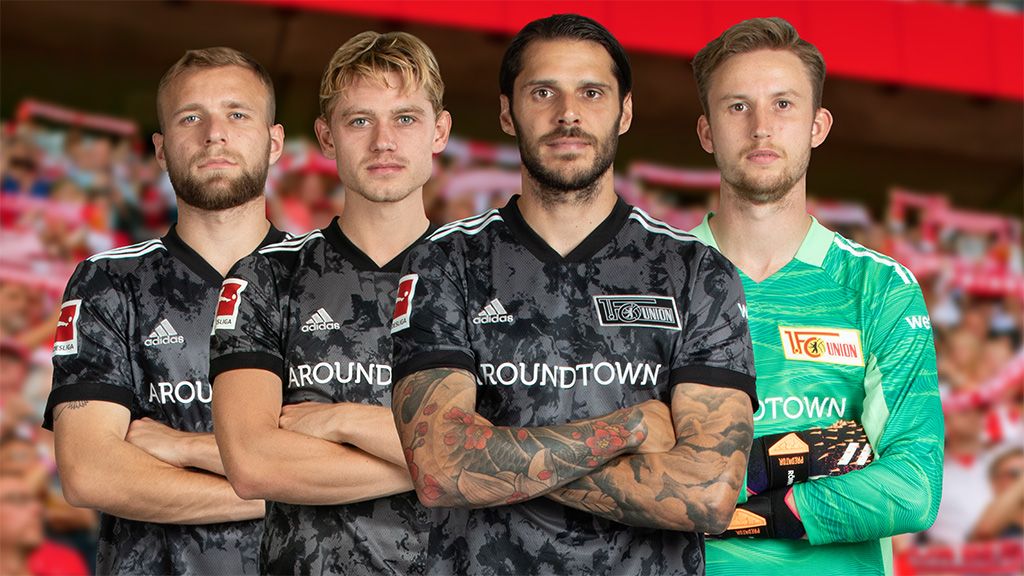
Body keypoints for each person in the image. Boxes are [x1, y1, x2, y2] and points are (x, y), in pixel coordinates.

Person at [390, 14, 757, 575]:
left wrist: (496, 456)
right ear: (507, 114)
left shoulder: (696, 272)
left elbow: (708, 494)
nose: (568, 114)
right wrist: (630, 430)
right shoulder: (444, 262)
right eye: (543, 92)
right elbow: (441, 470)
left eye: (591, 92)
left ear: (624, 111)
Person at [686, 17, 943, 574]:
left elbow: (914, 486)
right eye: (737, 106)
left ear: (817, 126)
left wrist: (733, 496)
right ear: (706, 132)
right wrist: (831, 453)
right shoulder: (648, 284)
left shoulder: (880, 288)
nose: (760, 127)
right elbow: (619, 475)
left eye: (783, 105)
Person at [210, 31, 450, 575]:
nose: (384, 141)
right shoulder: (265, 277)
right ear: (326, 135)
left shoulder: (490, 280)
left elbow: (515, 448)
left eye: (406, 119)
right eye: (360, 120)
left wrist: (339, 421)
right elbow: (250, 464)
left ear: (440, 131)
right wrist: (453, 464)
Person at [42, 47, 287, 575]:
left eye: (236, 114)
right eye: (190, 117)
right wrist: (298, 489)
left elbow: (382, 462)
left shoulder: (334, 284)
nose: (213, 133)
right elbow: (91, 473)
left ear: (275, 142)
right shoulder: (107, 281)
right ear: (160, 148)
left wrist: (176, 448)